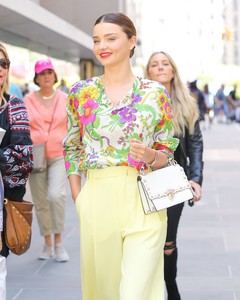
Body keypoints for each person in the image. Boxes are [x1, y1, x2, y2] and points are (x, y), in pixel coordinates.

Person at [63, 13, 179, 300]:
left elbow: (167, 150)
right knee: (104, 292)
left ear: (131, 41)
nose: (102, 45)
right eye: (97, 39)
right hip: (97, 197)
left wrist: (152, 155)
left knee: (135, 292)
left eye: (111, 38)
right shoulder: (81, 92)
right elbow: (71, 146)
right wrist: (80, 197)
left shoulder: (155, 93)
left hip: (144, 198)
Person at [145, 51, 203, 300]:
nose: (160, 67)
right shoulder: (139, 100)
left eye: (165, 63)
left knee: (168, 242)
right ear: (148, 71)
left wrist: (196, 178)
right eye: (154, 64)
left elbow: (195, 143)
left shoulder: (186, 103)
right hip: (142, 179)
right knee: (146, 239)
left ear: (172, 70)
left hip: (173, 181)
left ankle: (171, 286)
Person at [24, 58, 69, 262]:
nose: (46, 76)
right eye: (42, 73)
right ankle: (47, 242)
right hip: (36, 155)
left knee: (55, 195)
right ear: (36, 78)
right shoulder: (28, 100)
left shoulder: (64, 98)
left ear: (55, 75)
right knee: (41, 201)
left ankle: (59, 241)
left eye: (49, 72)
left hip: (59, 154)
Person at [0, 43, 33, 299]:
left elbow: (22, 158)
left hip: (3, 201)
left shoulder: (15, 107)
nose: (0, 69)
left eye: (3, 63)